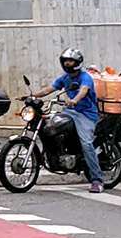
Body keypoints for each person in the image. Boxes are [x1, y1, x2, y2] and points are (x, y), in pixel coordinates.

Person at [36, 47, 103, 193]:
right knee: (52, 127)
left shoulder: (85, 77)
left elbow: (83, 90)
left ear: (77, 62)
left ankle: (97, 180)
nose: (67, 63)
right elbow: (49, 89)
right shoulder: (65, 78)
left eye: (70, 60)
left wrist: (75, 100)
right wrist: (34, 96)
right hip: (70, 112)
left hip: (86, 114)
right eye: (65, 60)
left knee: (86, 144)